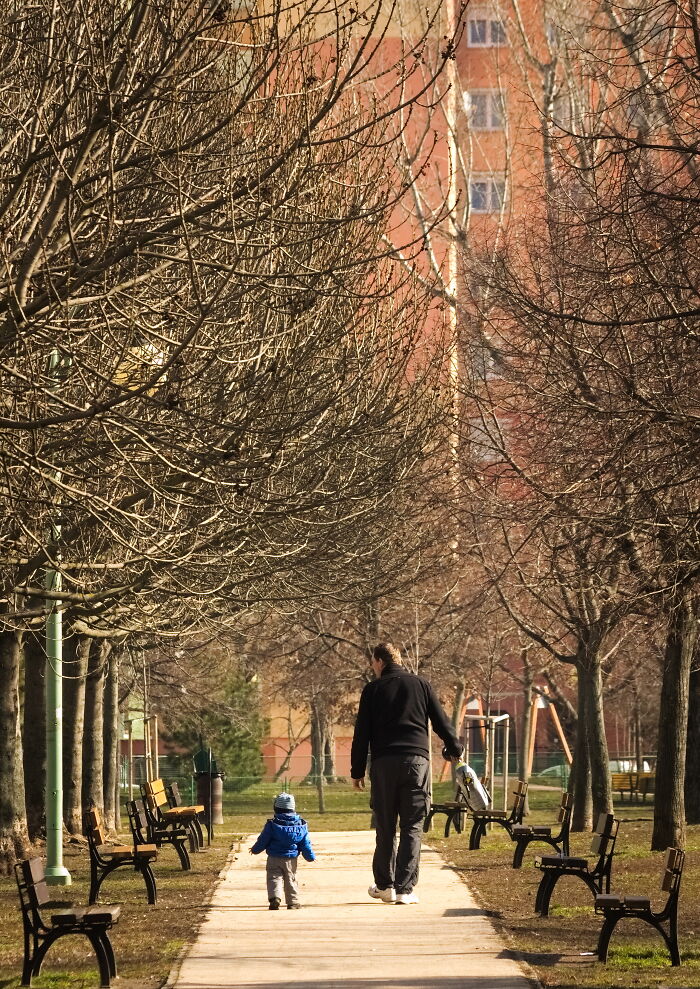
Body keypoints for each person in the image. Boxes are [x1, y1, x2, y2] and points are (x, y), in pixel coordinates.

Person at [351, 642, 463, 905]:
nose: (372, 667)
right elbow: (440, 720)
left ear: (379, 661)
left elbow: (361, 734)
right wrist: (454, 747)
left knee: (385, 826)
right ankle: (405, 889)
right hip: (416, 763)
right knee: (412, 825)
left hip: (383, 764)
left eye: (372, 662)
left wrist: (357, 771)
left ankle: (385, 886)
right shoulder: (421, 685)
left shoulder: (372, 690)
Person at [250, 791, 315, 909]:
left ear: (276, 808)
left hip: (274, 857)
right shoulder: (301, 825)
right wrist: (310, 856)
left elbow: (263, 840)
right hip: (291, 859)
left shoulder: (272, 825)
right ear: (293, 809)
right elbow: (305, 843)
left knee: (274, 877)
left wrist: (255, 849)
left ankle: (275, 898)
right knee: (291, 878)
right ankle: (293, 902)